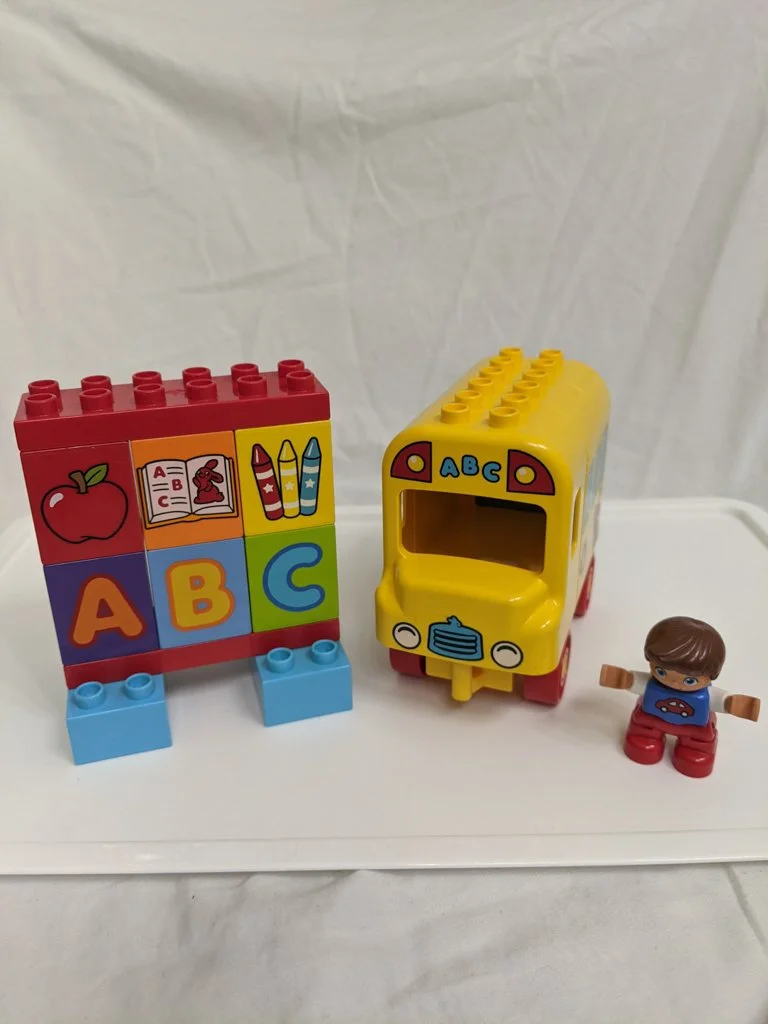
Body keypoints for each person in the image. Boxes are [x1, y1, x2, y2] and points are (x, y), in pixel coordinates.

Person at [600, 616, 760, 778]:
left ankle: (693, 751)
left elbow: (722, 700)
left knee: (696, 750)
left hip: (694, 729)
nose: (675, 682)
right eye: (661, 672)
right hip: (651, 721)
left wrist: (733, 704)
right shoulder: (651, 684)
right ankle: (646, 739)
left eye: (689, 680)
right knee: (642, 736)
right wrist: (623, 678)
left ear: (711, 676)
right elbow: (632, 681)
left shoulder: (705, 695)